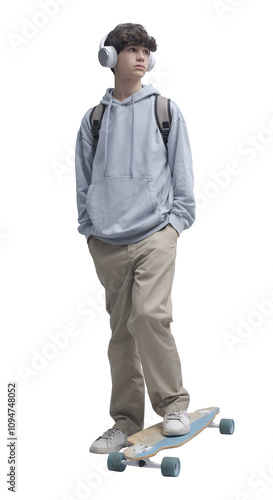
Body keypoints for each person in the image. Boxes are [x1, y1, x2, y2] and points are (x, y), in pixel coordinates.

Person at [75, 23, 195, 454]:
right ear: (110, 57)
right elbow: (83, 181)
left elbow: (183, 176)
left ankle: (174, 405)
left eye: (146, 51)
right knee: (121, 332)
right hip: (107, 241)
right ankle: (125, 421)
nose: (141, 58)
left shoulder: (165, 109)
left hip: (155, 233)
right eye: (132, 50)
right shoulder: (95, 118)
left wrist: (176, 222)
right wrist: (90, 230)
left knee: (149, 316)